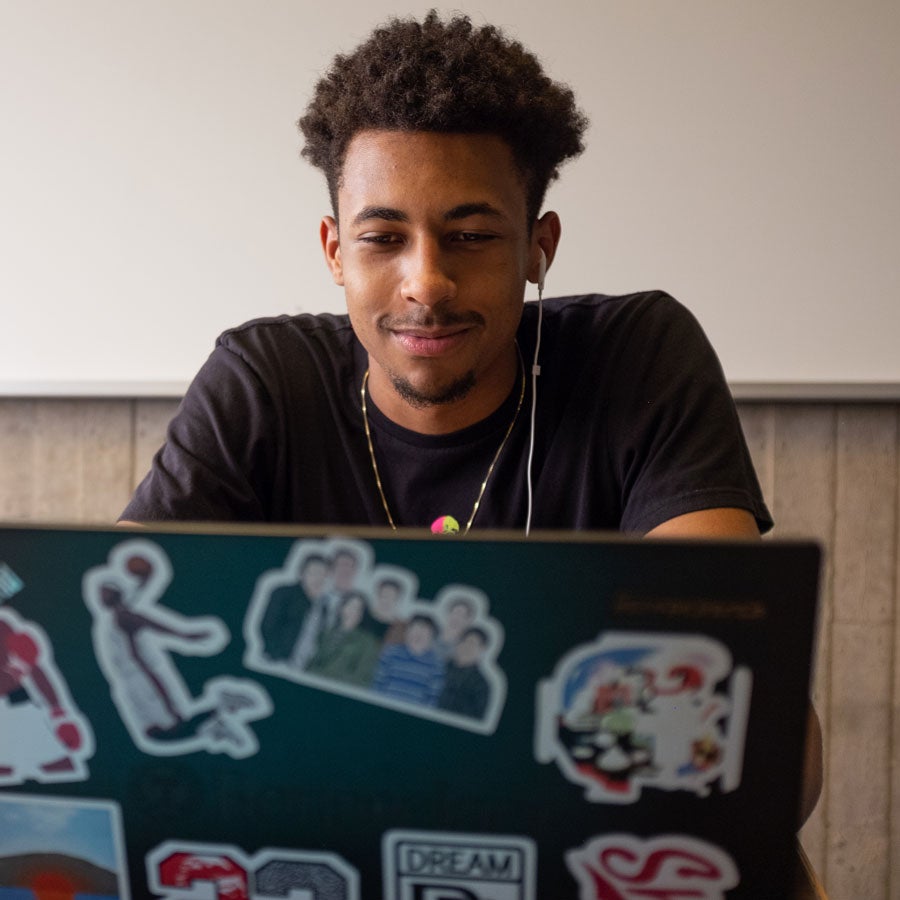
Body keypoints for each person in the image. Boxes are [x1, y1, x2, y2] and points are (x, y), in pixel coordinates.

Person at [118, 11, 820, 817]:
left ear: (537, 247)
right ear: (335, 251)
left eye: (473, 235)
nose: (426, 283)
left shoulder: (640, 358)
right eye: (383, 238)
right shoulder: (261, 380)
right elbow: (115, 652)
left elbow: (760, 744)